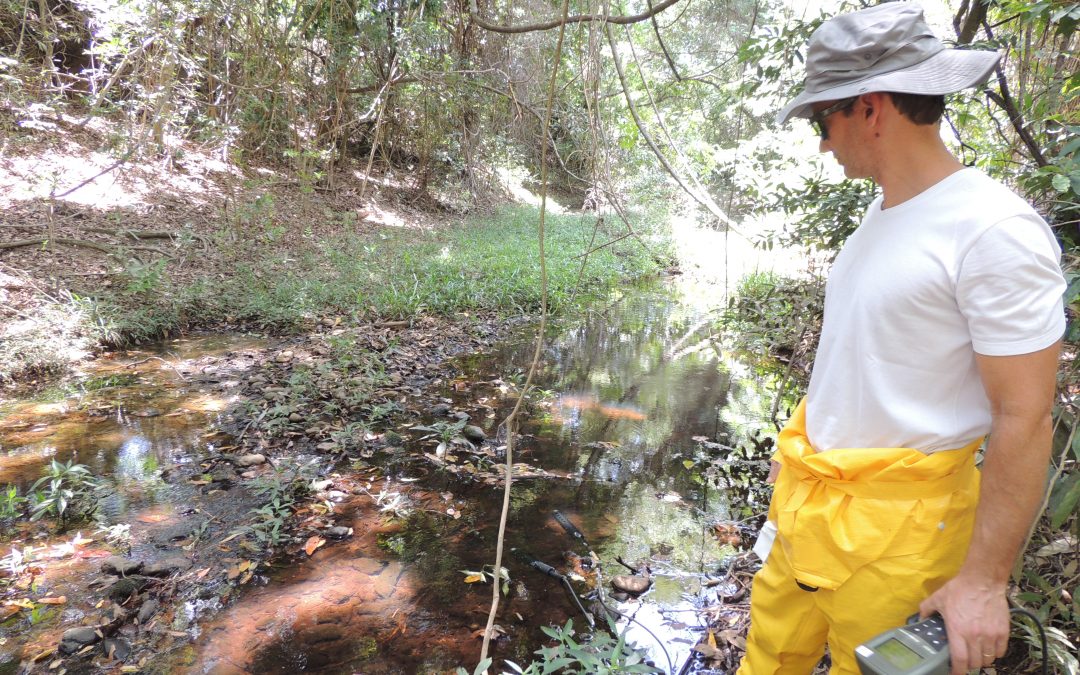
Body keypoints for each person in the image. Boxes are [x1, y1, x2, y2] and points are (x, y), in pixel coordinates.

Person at [737, 4, 1066, 675]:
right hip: (808, 511)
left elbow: (1025, 417)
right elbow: (858, 356)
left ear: (871, 109)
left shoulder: (991, 230)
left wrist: (981, 582)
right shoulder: (879, 215)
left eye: (821, 120)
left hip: (900, 543)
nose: (822, 142)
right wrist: (800, 450)